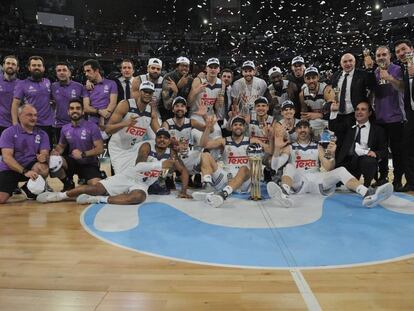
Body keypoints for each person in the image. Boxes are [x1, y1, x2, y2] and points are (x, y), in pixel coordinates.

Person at [37, 128, 192, 204]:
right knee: (95, 187)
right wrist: (160, 166)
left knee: (139, 197)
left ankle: (99, 200)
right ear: (156, 139)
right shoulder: (146, 146)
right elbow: (139, 165)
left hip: (141, 184)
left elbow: (183, 171)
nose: (162, 140)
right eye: (160, 137)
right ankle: (59, 196)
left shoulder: (172, 155)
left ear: (169, 141)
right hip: (129, 176)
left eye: (166, 138)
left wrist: (184, 191)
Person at [266, 119, 393, 208]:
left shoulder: (318, 147)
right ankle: (284, 193)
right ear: (296, 131)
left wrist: (332, 156)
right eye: (300, 128)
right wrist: (277, 148)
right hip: (300, 181)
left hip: (317, 181)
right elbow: (275, 166)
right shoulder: (289, 147)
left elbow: (328, 167)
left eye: (305, 127)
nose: (302, 130)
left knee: (341, 170)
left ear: (310, 130)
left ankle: (368, 194)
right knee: (288, 166)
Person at [364, 46, 405, 188]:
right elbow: (371, 94)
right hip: (379, 119)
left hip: (396, 118)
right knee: (380, 151)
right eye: (378, 55)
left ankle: (398, 179)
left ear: (390, 56)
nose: (381, 57)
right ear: (375, 58)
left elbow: (402, 87)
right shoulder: (374, 72)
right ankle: (382, 177)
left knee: (397, 151)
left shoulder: (397, 69)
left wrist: (390, 78)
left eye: (384, 54)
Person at [192, 116, 252, 208]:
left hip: (243, 181)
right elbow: (203, 145)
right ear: (231, 127)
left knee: (244, 168)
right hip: (226, 177)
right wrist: (208, 128)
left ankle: (223, 194)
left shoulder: (251, 141)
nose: (238, 126)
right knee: (205, 155)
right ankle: (208, 187)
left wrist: (271, 138)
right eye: (235, 124)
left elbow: (269, 150)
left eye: (240, 125)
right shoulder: (223, 141)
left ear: (244, 127)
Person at [105, 81, 160, 174]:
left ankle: (155, 181)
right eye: (144, 91)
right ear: (139, 92)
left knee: (155, 144)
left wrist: (173, 141)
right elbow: (108, 129)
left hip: (134, 148)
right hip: (118, 148)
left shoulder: (151, 111)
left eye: (149, 92)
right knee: (122, 179)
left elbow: (160, 133)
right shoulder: (125, 105)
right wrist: (125, 124)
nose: (147, 94)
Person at [329, 101, 387, 187]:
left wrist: (376, 153)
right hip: (346, 161)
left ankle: (367, 185)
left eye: (363, 109)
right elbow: (333, 127)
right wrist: (333, 112)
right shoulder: (348, 125)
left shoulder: (378, 130)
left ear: (370, 113)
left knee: (369, 161)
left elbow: (384, 150)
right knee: (337, 184)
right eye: (357, 109)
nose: (359, 112)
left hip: (364, 160)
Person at [50, 99, 104, 190]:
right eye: (72, 108)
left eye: (78, 108)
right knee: (53, 160)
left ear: (83, 112)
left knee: (96, 186)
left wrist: (83, 154)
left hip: (88, 163)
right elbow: (61, 146)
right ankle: (68, 183)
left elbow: (100, 149)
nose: (74, 110)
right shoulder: (65, 128)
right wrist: (55, 152)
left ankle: (92, 177)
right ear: (68, 112)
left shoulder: (92, 127)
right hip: (72, 162)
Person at [0, 104, 50, 203]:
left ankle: (28, 189)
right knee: (1, 199)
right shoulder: (8, 132)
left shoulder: (42, 134)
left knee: (43, 168)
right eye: (29, 115)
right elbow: (7, 158)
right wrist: (25, 171)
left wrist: (43, 157)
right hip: (9, 169)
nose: (33, 118)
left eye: (35, 115)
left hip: (30, 167)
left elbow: (44, 152)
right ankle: (13, 186)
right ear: (20, 116)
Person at [329, 53, 375, 149]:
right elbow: (332, 93)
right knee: (340, 144)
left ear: (354, 62)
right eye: (345, 61)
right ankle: (341, 163)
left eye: (350, 61)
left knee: (355, 145)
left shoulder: (362, 74)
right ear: (341, 63)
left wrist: (370, 69)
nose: (348, 63)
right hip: (339, 116)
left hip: (355, 115)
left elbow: (372, 85)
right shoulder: (336, 76)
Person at [11, 56, 54, 146]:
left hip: (47, 125)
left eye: (39, 65)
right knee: (29, 152)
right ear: (29, 68)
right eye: (34, 65)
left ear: (43, 68)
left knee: (45, 152)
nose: (36, 67)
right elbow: (15, 105)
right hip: (29, 123)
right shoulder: (22, 84)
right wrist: (15, 124)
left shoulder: (48, 82)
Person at [394, 39, 414, 192]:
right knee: (407, 148)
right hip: (410, 113)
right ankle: (411, 182)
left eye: (403, 49)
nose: (401, 53)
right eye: (398, 51)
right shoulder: (405, 68)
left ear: (411, 49)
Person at [51, 62, 85, 145]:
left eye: (64, 70)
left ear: (69, 72)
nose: (61, 72)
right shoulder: (52, 87)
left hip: (76, 125)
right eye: (59, 70)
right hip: (59, 126)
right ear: (56, 73)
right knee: (62, 153)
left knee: (76, 153)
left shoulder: (79, 87)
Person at [299, 66, 334, 138]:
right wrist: (304, 119)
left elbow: (334, 112)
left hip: (329, 119)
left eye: (313, 77)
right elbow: (304, 112)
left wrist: (319, 115)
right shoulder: (302, 94)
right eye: (308, 78)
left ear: (318, 77)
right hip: (315, 120)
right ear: (305, 79)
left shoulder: (327, 90)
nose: (311, 81)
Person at [82, 59, 118, 127]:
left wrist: (104, 116)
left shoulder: (111, 83)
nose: (86, 74)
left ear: (97, 71)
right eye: (85, 72)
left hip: (109, 122)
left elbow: (113, 103)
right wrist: (100, 112)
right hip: (92, 125)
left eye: (88, 71)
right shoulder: (86, 87)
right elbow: (86, 108)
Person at [0, 55, 19, 137]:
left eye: (13, 64)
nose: (10, 66)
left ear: (18, 68)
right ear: (3, 66)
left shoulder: (21, 84)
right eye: (8, 63)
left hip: (14, 126)